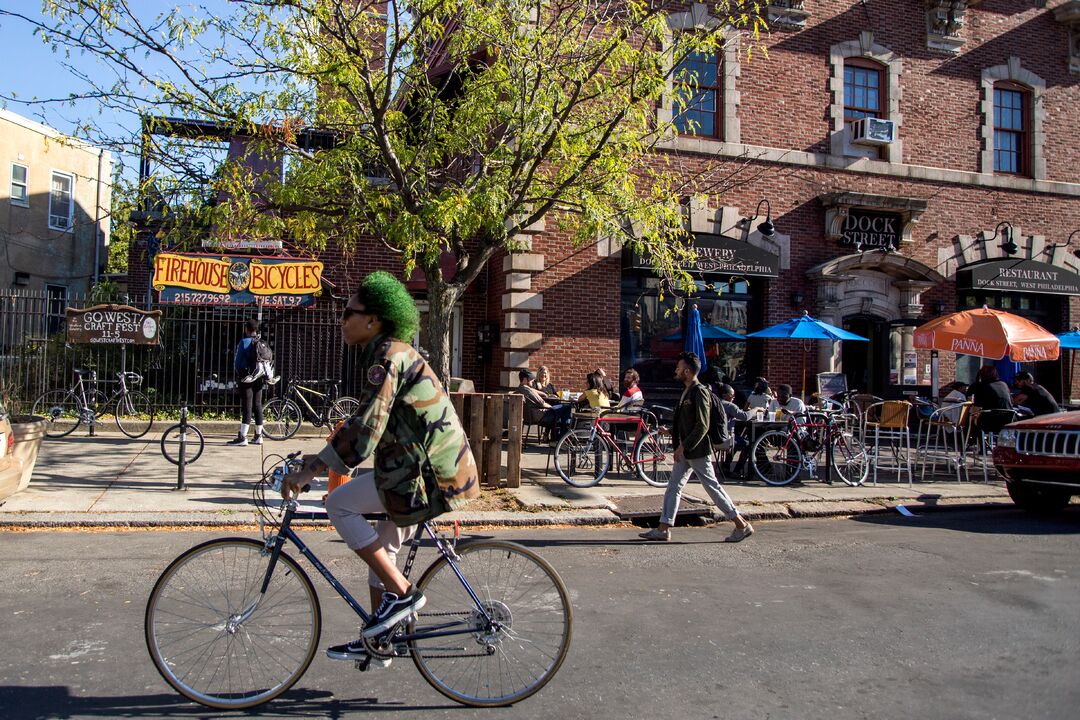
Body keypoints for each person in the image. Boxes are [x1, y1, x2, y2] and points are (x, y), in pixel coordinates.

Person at [281, 271, 479, 665]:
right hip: (421, 469)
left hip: (428, 476)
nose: (342, 320)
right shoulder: (389, 352)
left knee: (339, 504)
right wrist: (316, 459)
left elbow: (367, 426)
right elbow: (366, 423)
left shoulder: (388, 357)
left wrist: (314, 471)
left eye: (347, 312)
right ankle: (381, 638)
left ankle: (405, 595)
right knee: (382, 556)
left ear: (372, 320)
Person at [639, 352, 754, 543]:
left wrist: (683, 446)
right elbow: (687, 422)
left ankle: (741, 524)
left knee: (712, 487)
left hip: (697, 450)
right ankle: (663, 528)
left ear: (687, 371)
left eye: (678, 367)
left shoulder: (699, 391)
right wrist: (669, 431)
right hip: (686, 451)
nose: (675, 370)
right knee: (673, 487)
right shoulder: (687, 390)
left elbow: (702, 425)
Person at [227, 319, 266, 446]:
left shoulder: (244, 342)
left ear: (246, 329)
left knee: (247, 407)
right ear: (256, 330)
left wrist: (240, 373)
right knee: (258, 405)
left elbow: (237, 363)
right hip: (259, 376)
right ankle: (258, 436)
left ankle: (243, 437)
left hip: (247, 377)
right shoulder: (261, 342)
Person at [514, 369, 572, 438]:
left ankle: (557, 438)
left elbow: (532, 391)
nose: (532, 380)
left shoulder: (519, 390)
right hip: (541, 417)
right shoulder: (527, 391)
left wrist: (544, 394)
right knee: (567, 407)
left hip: (529, 417)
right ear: (525, 379)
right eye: (531, 379)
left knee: (561, 411)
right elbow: (542, 403)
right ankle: (562, 437)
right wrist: (553, 408)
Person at [967, 364, 1014, 433]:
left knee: (970, 418)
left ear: (981, 374)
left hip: (990, 421)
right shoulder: (1003, 384)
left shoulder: (982, 386)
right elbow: (1011, 401)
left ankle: (973, 440)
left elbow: (976, 407)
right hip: (1008, 419)